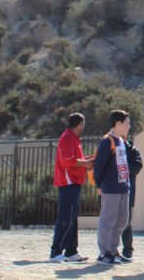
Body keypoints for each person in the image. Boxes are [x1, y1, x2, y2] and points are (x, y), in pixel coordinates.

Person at [50, 112, 94, 263]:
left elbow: (75, 160)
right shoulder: (68, 137)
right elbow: (68, 160)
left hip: (74, 182)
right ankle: (56, 252)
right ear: (80, 124)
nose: (83, 127)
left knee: (72, 218)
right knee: (66, 218)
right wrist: (86, 163)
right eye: (83, 124)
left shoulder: (73, 138)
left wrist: (87, 160)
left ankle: (71, 251)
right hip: (68, 183)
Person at [93, 110, 133, 265]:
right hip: (111, 188)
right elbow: (98, 166)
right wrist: (99, 185)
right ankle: (103, 253)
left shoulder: (121, 141)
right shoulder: (106, 142)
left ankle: (113, 251)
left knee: (121, 221)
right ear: (118, 124)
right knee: (108, 222)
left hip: (123, 187)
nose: (129, 126)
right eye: (127, 123)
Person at [120, 134, 143, 261]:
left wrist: (121, 167)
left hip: (128, 190)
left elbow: (137, 167)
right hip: (111, 190)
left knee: (127, 222)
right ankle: (108, 251)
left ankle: (127, 250)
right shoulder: (109, 147)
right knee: (110, 221)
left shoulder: (133, 150)